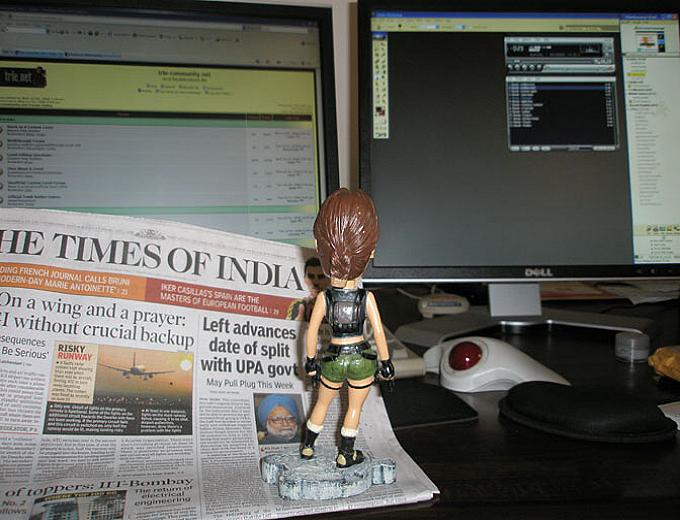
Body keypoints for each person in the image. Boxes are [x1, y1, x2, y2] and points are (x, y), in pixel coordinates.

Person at [301, 188, 394, 468]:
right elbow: (379, 333)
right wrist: (386, 362)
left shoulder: (323, 298)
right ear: (372, 251)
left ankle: (307, 447)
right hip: (361, 359)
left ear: (319, 248)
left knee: (321, 403)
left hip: (333, 358)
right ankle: (346, 453)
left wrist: (310, 361)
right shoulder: (367, 298)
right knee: (353, 407)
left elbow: (311, 333)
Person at [286, 257, 329, 321]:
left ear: (328, 280)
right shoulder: (298, 305)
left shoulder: (334, 306)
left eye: (321, 277)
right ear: (305, 279)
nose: (315, 282)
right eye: (311, 276)